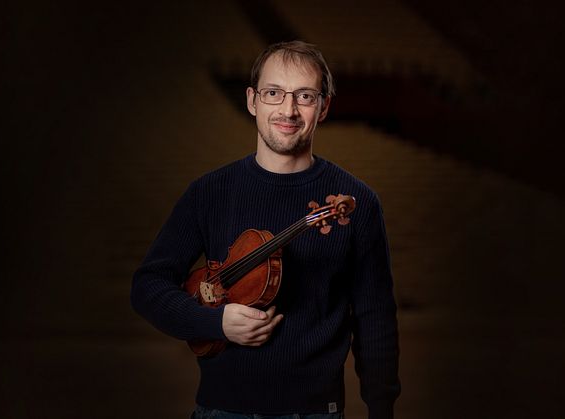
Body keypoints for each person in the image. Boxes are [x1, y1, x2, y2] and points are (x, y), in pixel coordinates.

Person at [131, 40, 400, 419]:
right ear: (252, 101)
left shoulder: (358, 202)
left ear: (323, 107)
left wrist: (382, 407)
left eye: (305, 96)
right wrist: (215, 322)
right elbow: (147, 286)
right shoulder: (209, 192)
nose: (288, 110)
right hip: (221, 410)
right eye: (274, 93)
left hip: (316, 412)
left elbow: (375, 316)